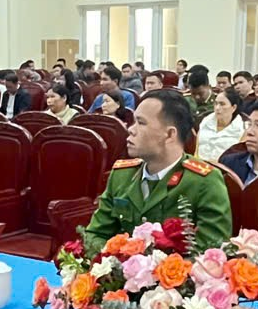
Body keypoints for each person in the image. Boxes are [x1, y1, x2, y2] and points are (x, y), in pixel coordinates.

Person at [83, 90, 232, 249]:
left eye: (141, 123)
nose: (131, 129)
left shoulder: (203, 181)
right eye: (134, 122)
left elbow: (210, 252)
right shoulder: (122, 175)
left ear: (169, 134)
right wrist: (115, 259)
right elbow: (95, 235)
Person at [195, 87, 246, 162]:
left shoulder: (243, 129)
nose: (217, 108)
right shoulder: (205, 121)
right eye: (216, 103)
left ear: (233, 107)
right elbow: (196, 150)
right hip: (199, 165)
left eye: (222, 104)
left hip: (224, 167)